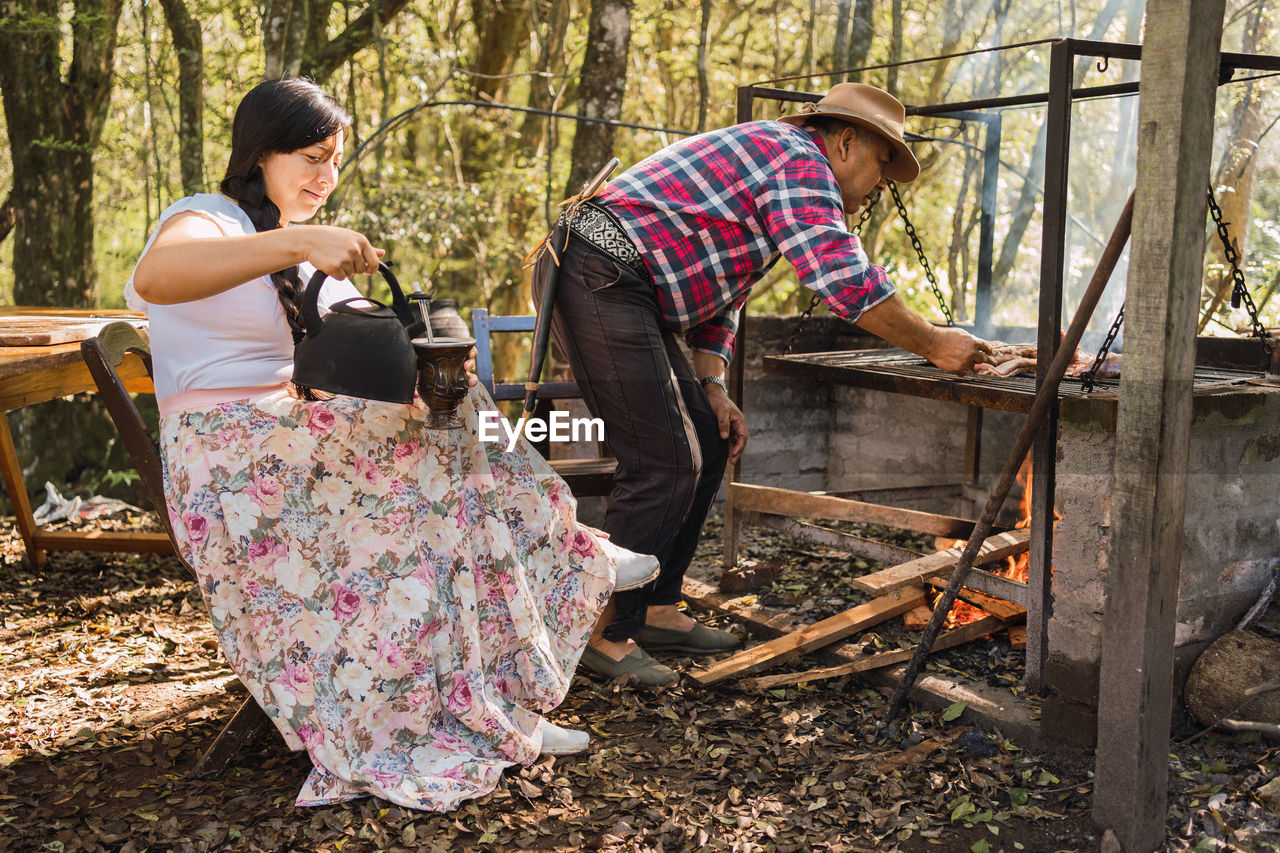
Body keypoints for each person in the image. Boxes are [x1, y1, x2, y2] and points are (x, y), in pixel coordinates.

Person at [125, 77, 659, 812]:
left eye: (335, 161)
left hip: (281, 449)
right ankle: (566, 555)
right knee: (436, 473)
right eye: (313, 156)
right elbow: (156, 275)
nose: (326, 176)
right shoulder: (208, 217)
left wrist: (428, 352)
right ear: (262, 151)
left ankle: (495, 705)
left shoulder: (297, 255)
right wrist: (300, 238)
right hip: (227, 464)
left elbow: (378, 328)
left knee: (442, 421)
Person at [532, 82, 993, 686]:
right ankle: (600, 630)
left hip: (632, 285)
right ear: (848, 141)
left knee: (708, 435)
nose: (884, 184)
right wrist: (935, 343)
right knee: (666, 460)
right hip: (599, 270)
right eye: (884, 163)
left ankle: (659, 609)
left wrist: (714, 387)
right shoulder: (799, 158)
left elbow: (724, 290)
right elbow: (841, 279)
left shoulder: (779, 175)